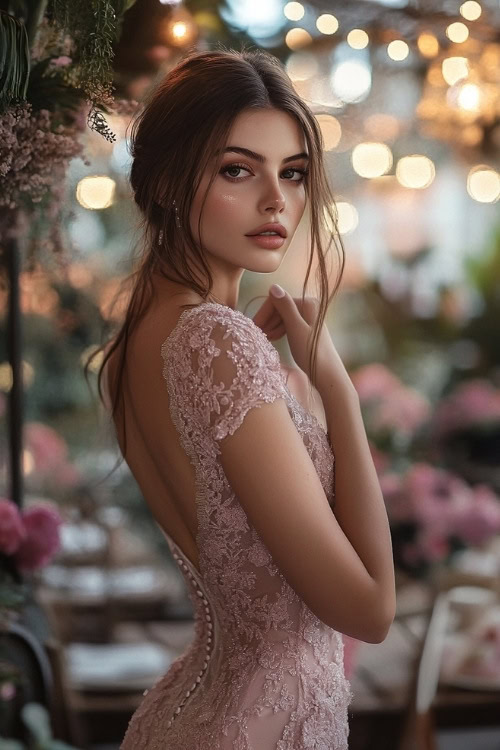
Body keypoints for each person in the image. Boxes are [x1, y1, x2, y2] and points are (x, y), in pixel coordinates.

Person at [88, 46, 396, 750]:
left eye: (292, 174)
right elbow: (369, 611)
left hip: (205, 711)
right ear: (168, 179)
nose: (276, 201)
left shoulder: (144, 336)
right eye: (237, 170)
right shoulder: (216, 343)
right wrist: (338, 396)